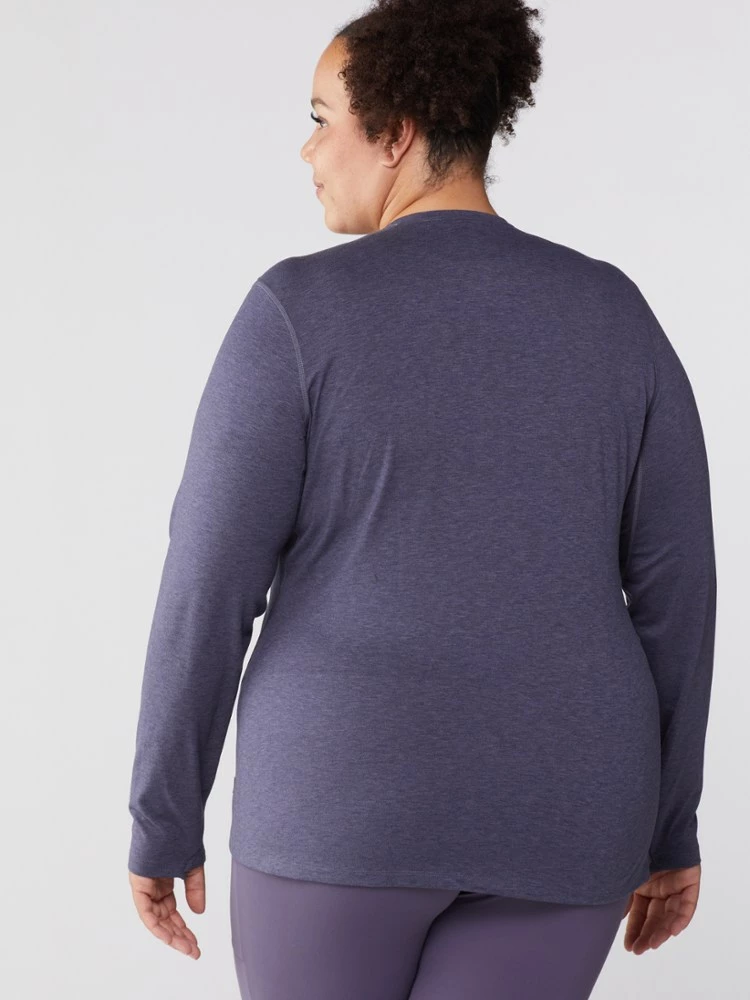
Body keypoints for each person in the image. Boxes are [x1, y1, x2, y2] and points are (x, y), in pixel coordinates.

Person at [127, 2, 717, 997]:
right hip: (567, 810)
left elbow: (207, 581)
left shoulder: (296, 311)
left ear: (395, 132)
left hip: (343, 799)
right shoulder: (616, 313)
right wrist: (669, 824)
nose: (307, 150)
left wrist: (162, 815)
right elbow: (678, 594)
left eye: (322, 119)